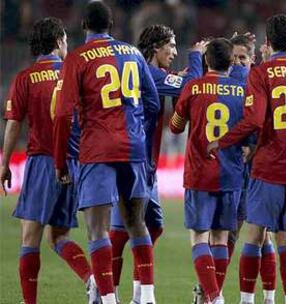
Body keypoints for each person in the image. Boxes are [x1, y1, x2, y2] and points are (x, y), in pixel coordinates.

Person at [207, 14, 286, 304]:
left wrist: (222, 141)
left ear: (267, 43)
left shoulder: (260, 74)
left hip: (270, 167)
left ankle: (247, 300)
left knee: (254, 235)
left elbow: (253, 121)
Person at [53, 2, 160, 304]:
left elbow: (62, 115)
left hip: (97, 149)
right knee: (136, 221)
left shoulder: (76, 59)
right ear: (112, 25)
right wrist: (142, 139)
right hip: (134, 148)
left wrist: (61, 162)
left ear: (84, 26)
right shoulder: (134, 54)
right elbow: (152, 104)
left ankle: (109, 300)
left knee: (97, 230)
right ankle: (148, 297)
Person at [0, 17, 99, 304]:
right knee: (59, 237)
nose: (67, 45)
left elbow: (14, 124)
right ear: (57, 41)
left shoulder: (26, 77)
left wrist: (5, 163)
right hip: (73, 163)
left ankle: (29, 302)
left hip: (42, 161)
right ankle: (92, 280)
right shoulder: (77, 74)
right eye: (66, 40)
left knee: (30, 238)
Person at [109, 23, 205, 303]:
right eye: (171, 46)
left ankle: (137, 293)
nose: (174, 52)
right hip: (133, 160)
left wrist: (176, 76)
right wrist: (196, 56)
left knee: (154, 226)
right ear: (155, 48)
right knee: (119, 233)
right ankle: (108, 293)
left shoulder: (154, 73)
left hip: (146, 164)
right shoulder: (148, 72)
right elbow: (192, 87)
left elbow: (176, 83)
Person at [169, 38, 246, 304]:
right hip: (231, 173)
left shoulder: (193, 87)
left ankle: (213, 298)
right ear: (231, 62)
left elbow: (176, 127)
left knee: (199, 237)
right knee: (221, 239)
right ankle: (215, 296)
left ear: (206, 61)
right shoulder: (242, 90)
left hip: (200, 173)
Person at [229, 34, 286, 304]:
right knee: (251, 234)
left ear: (253, 60)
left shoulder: (261, 79)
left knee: (261, 233)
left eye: (243, 58)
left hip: (260, 169)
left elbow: (267, 123)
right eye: (233, 57)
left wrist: (255, 147)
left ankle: (267, 297)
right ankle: (215, 289)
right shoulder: (228, 82)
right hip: (234, 169)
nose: (237, 63)